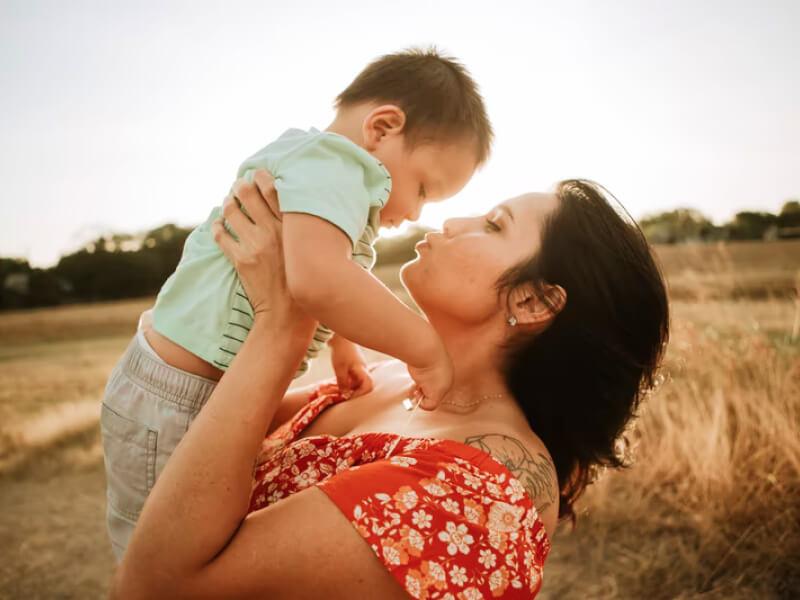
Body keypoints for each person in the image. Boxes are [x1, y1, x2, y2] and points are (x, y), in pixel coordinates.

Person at [110, 172, 669, 599]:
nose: (450, 222)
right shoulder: (387, 377)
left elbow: (155, 588)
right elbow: (191, 436)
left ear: (534, 300)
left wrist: (283, 322)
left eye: (494, 225)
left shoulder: (483, 492)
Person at [100, 48, 493, 560]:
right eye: (422, 188)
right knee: (157, 552)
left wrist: (343, 349)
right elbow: (319, 279)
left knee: (198, 535)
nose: (416, 211)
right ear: (382, 127)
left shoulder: (327, 180)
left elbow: (331, 272)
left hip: (196, 389)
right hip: (176, 395)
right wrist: (425, 349)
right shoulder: (333, 166)